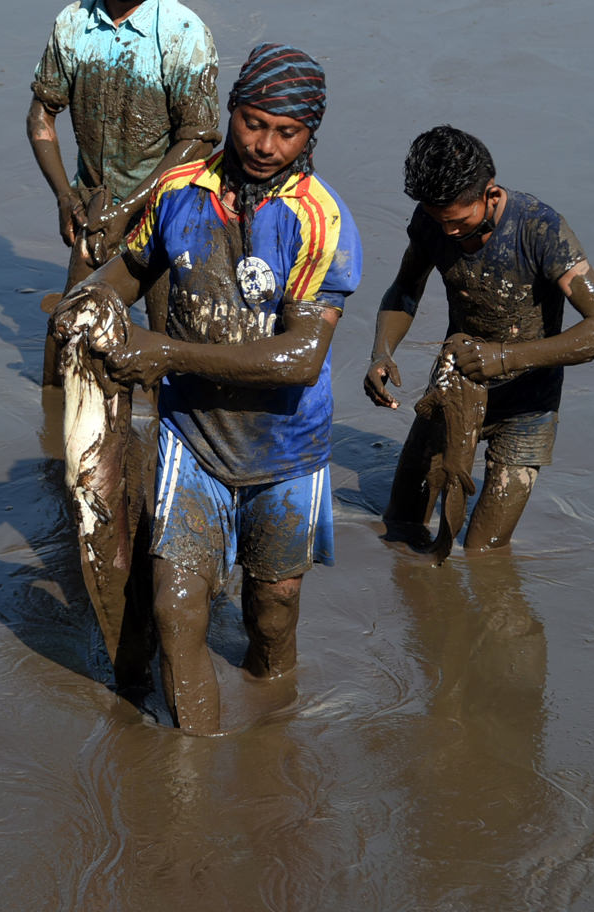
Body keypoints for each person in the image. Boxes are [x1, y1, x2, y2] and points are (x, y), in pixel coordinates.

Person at [54, 44, 361, 735]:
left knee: (272, 612)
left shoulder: (322, 222)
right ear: (231, 110)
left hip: (286, 449)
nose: (264, 145)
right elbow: (131, 270)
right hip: (191, 438)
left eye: (287, 133)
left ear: (311, 136)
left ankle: (271, 727)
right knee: (175, 606)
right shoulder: (178, 190)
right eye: (253, 123)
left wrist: (164, 352)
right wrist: (93, 301)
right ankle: (191, 772)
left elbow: (303, 357)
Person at [364, 125, 594, 554]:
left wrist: (505, 358)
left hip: (527, 406)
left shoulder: (540, 230)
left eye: (459, 222)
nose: (450, 233)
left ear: (490, 195)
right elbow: (404, 289)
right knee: (401, 526)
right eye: (439, 221)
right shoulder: (433, 222)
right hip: (454, 390)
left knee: (483, 551)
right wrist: (381, 351)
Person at [26, 0, 220, 348]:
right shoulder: (71, 24)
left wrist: (132, 209)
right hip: (91, 211)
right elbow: (41, 116)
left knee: (162, 352)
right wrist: (64, 197)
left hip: (168, 214)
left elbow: (200, 139)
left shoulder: (183, 34)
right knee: (66, 348)